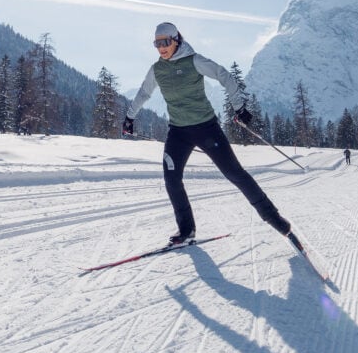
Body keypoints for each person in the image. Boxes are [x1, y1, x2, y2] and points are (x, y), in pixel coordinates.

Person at [123, 22, 302, 251]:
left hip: (206, 128)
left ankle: (275, 220)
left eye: (165, 42)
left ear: (176, 39)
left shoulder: (194, 61)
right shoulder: (156, 70)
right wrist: (129, 117)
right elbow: (144, 93)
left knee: (234, 173)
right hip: (178, 132)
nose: (161, 48)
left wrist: (239, 107)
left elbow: (224, 75)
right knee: (171, 179)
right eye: (156, 43)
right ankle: (186, 230)